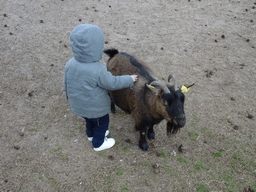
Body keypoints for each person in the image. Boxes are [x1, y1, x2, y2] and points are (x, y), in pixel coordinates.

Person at [63, 24, 138, 151]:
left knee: (89, 120)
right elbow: (112, 83)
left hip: (79, 105)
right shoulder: (98, 69)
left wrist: (68, 96)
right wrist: (130, 79)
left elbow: (66, 82)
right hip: (96, 108)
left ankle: (90, 135)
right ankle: (98, 143)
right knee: (101, 123)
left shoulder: (70, 63)